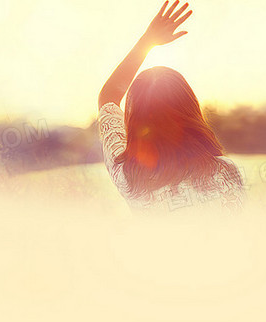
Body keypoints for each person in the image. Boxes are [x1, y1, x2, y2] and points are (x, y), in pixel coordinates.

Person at [97, 1, 246, 214]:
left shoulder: (128, 178)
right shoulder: (224, 172)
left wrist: (146, 42)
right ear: (191, 111)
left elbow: (108, 98)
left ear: (135, 120)